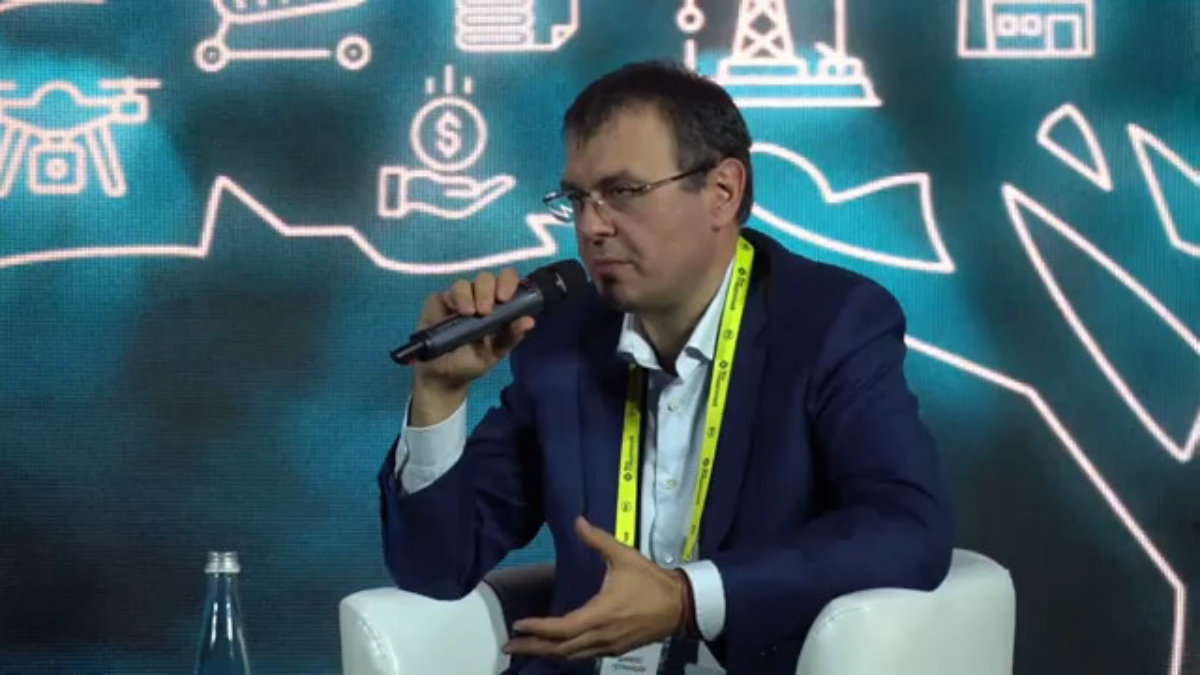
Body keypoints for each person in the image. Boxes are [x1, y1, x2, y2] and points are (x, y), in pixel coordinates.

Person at [377, 59, 953, 675]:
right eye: (577, 198)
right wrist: (439, 394)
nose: (591, 226)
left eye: (623, 192)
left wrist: (687, 598)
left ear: (722, 192)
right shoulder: (562, 340)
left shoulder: (830, 324)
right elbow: (436, 568)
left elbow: (906, 530)